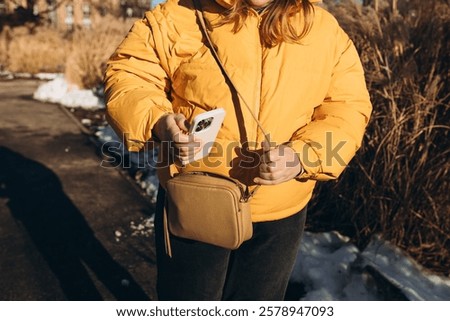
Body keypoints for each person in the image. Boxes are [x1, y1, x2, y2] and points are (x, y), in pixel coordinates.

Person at [104, 0, 372, 300]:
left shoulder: (323, 30)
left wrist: (303, 157)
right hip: (196, 200)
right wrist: (158, 122)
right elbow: (129, 75)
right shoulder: (179, 15)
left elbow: (347, 107)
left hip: (280, 214)